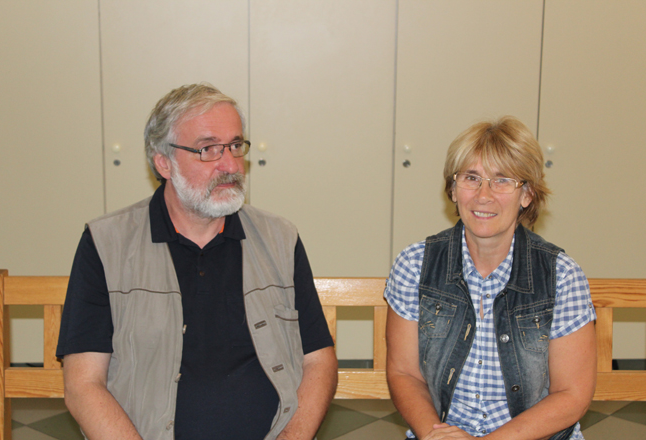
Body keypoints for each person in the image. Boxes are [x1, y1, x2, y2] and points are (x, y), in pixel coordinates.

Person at [56, 83, 338, 440]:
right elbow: (83, 385)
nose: (230, 165)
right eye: (208, 149)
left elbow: (318, 360)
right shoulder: (106, 243)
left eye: (235, 145)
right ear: (164, 162)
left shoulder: (280, 238)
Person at [385, 116, 596, 440]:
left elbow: (572, 395)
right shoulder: (415, 265)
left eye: (501, 180)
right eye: (471, 178)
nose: (483, 195)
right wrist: (434, 434)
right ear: (453, 189)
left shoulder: (561, 275)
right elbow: (404, 374)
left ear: (527, 194)